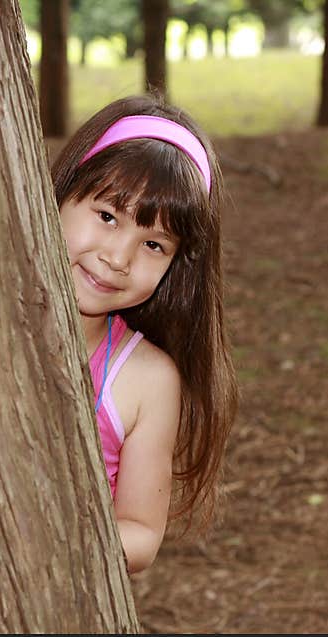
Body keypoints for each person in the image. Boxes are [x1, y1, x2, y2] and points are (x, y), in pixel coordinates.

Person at [51, 94, 238, 574]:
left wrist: (46, 540)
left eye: (153, 243)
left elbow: (140, 531)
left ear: (175, 265)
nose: (118, 257)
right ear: (62, 193)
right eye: (107, 216)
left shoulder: (145, 379)